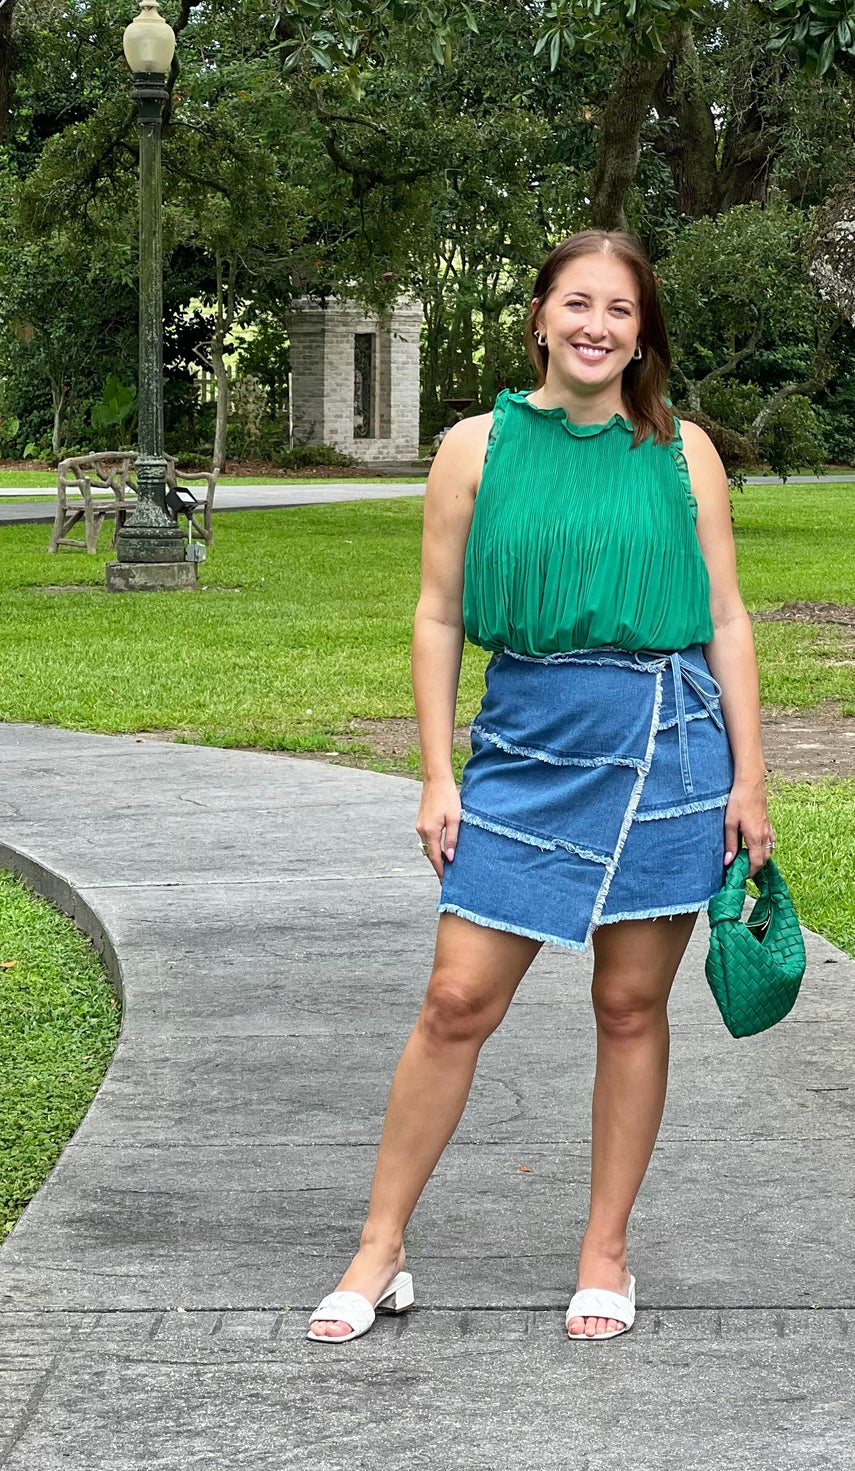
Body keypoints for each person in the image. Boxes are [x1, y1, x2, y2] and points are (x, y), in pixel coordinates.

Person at [307, 229, 773, 1344]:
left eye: (619, 309)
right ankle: (381, 1249)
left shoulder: (682, 453)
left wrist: (747, 779)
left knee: (627, 1005)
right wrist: (433, 773)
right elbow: (435, 616)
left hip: (668, 746)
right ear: (538, 317)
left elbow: (723, 620)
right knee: (455, 999)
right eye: (577, 302)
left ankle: (604, 1250)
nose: (596, 325)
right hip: (521, 749)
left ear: (641, 332)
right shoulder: (474, 447)